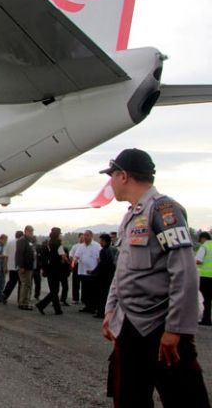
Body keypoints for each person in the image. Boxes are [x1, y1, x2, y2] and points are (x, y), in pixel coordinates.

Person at [100, 148, 209, 407]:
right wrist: (110, 310)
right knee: (128, 397)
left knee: (185, 399)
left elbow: (184, 271)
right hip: (130, 326)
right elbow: (123, 271)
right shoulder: (131, 216)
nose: (110, 182)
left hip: (160, 328)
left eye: (112, 175)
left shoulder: (164, 210)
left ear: (123, 176)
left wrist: (175, 329)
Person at [37, 227, 66, 315]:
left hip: (49, 269)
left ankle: (57, 310)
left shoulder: (47, 243)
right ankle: (41, 305)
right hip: (56, 269)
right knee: (55, 290)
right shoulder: (58, 244)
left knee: (54, 290)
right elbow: (63, 256)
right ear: (58, 234)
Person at [75, 230, 101, 314]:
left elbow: (99, 259)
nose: (85, 237)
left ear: (91, 236)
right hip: (82, 271)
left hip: (92, 272)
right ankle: (87, 306)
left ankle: (93, 307)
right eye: (84, 235)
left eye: (87, 235)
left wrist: (97, 270)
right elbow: (76, 256)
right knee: (85, 290)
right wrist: (74, 262)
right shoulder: (81, 246)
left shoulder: (96, 246)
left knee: (92, 290)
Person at [92, 233, 116, 319]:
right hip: (110, 275)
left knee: (101, 295)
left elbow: (101, 264)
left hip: (102, 276)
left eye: (101, 240)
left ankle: (100, 312)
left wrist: (93, 272)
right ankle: (106, 311)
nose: (100, 242)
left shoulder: (103, 251)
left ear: (105, 241)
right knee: (106, 294)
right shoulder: (112, 249)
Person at [15, 225, 36, 311]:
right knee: (25, 285)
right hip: (24, 267)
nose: (31, 233)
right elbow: (19, 254)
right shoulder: (22, 240)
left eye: (32, 231)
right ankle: (22, 303)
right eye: (30, 231)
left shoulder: (29, 241)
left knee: (28, 285)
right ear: (26, 231)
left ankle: (26, 302)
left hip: (29, 266)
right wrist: (21, 266)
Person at [2, 230, 24, 304]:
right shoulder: (23, 243)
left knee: (11, 282)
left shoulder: (9, 243)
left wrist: (5, 266)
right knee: (21, 283)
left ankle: (4, 295)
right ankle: (20, 299)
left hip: (11, 266)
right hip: (20, 267)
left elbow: (5, 256)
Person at [197, 231, 212, 326]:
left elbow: (199, 260)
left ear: (203, 238)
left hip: (205, 277)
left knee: (206, 299)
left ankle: (206, 320)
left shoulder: (205, 246)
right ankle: (208, 319)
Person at [69, 233, 84, 304]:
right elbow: (71, 257)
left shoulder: (86, 246)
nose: (82, 239)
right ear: (78, 238)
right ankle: (75, 298)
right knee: (75, 283)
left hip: (84, 265)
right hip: (76, 265)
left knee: (84, 283)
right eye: (80, 237)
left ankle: (84, 299)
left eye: (83, 237)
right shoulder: (75, 246)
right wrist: (72, 266)